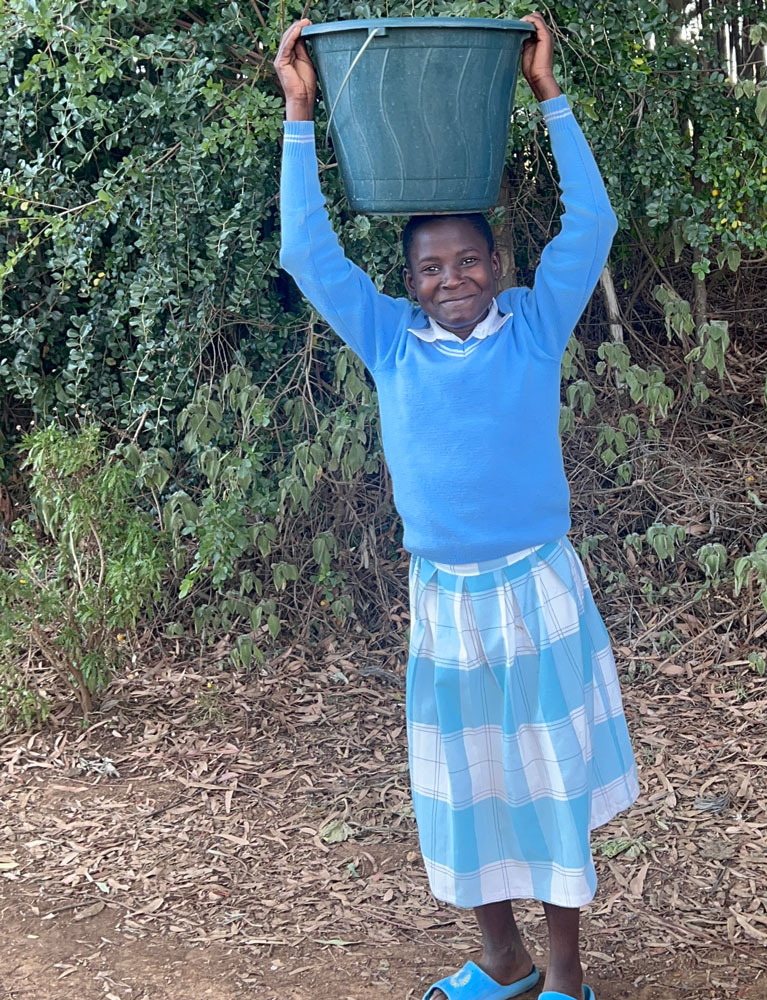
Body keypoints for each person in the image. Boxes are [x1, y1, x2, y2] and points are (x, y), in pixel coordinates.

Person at [274, 12, 638, 1000]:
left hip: (536, 593)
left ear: (500, 268)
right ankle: (504, 961)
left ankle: (564, 976)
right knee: (465, 790)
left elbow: (592, 225)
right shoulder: (391, 341)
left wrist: (547, 96)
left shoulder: (531, 327)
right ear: (407, 284)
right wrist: (300, 113)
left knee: (546, 785)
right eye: (430, 268)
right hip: (446, 599)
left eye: (469, 262)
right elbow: (309, 255)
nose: (452, 281)